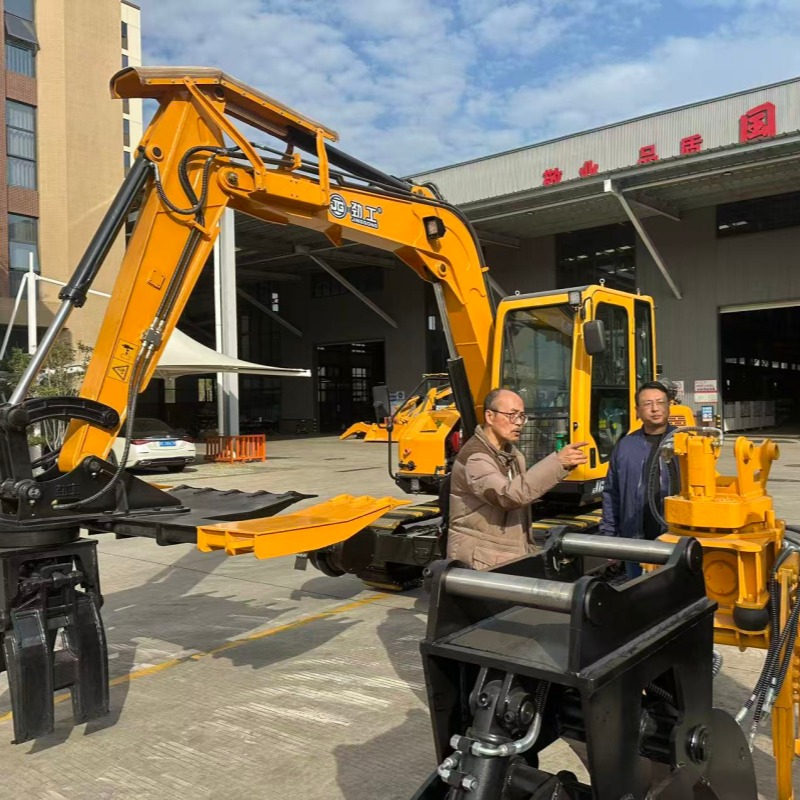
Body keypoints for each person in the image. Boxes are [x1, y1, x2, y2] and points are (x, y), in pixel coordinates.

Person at [447, 388, 588, 570]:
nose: (519, 423)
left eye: (522, 416)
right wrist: (557, 463)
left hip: (504, 554)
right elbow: (508, 496)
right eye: (512, 415)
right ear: (489, 416)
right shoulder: (476, 457)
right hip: (483, 561)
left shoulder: (511, 454)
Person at [599, 381, 676, 578]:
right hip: (635, 542)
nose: (655, 409)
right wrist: (609, 537)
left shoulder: (687, 442)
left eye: (660, 402)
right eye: (647, 404)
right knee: (638, 591)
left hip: (676, 542)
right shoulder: (625, 446)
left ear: (669, 406)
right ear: (637, 411)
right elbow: (612, 493)